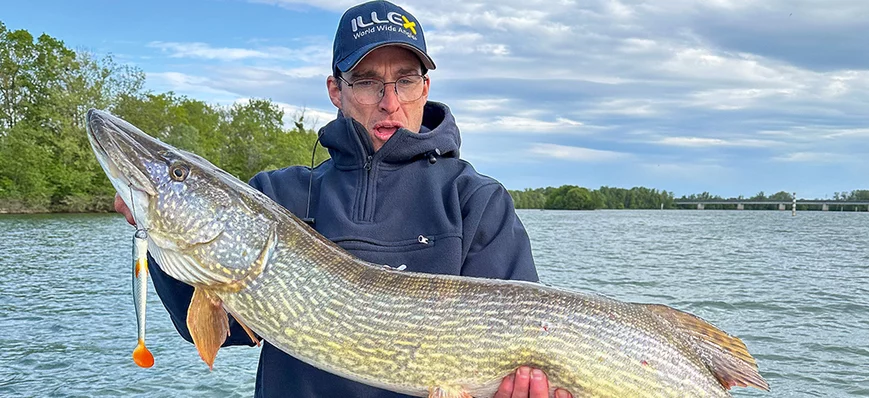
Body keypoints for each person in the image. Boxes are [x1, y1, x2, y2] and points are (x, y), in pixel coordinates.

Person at [115, 1, 573, 397]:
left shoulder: (475, 200)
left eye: (406, 81)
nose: (389, 102)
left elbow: (520, 351)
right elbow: (222, 330)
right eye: (368, 81)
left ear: (425, 88)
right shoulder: (278, 196)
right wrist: (159, 237)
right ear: (336, 89)